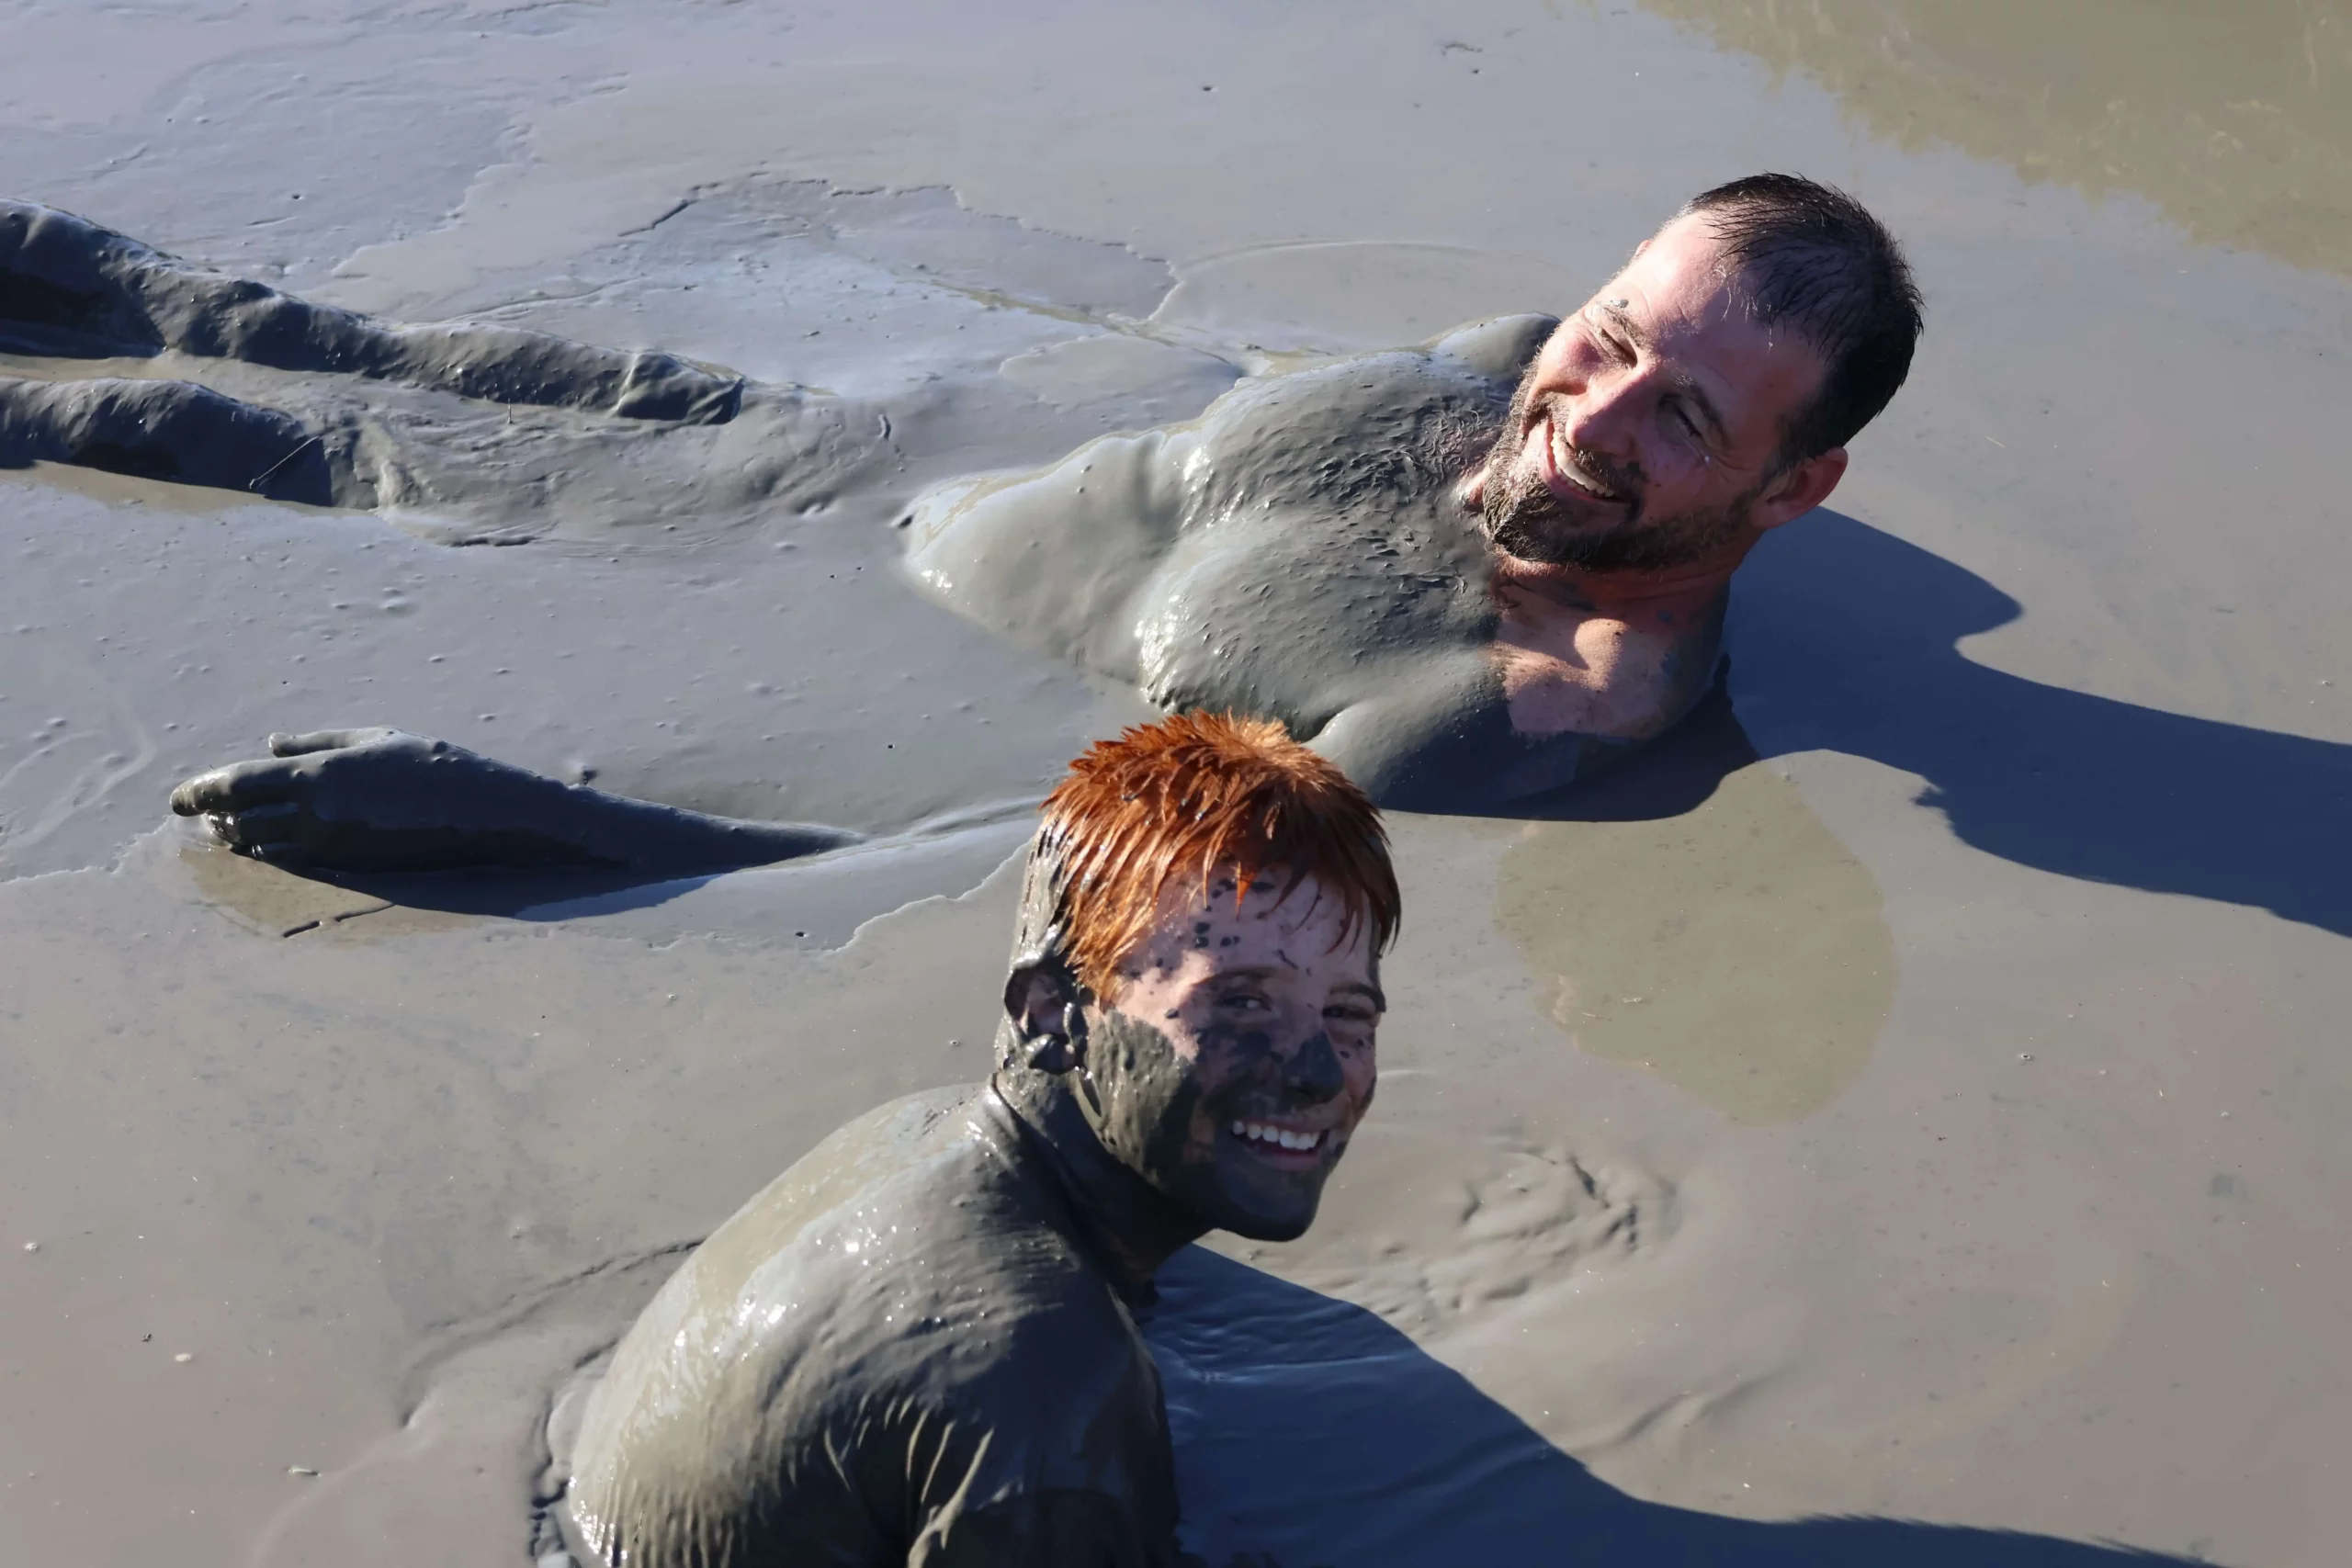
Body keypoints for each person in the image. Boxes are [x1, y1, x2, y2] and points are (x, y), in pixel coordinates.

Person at [63, 172, 1912, 866]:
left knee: (181, 429)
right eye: (1601, 342)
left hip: (759, 599)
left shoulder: (1520, 703)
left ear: (1791, 484)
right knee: (262, 331)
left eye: (1673, 417)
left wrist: (500, 814)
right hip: (840, 441)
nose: (1578, 414)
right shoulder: (1510, 365)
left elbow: (992, 853)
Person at [560, 711, 1396, 1566]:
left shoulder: (917, 1130)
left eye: (1346, 1013)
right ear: (1051, 1014)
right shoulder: (1048, 1392)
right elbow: (1035, 1394)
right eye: (1242, 1002)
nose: (1321, 1073)